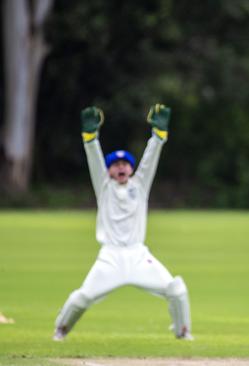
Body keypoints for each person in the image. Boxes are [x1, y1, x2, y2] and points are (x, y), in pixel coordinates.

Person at [53, 104, 193, 341]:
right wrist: (90, 138)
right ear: (109, 171)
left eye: (125, 164)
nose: (120, 168)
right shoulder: (104, 187)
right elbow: (95, 162)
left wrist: (158, 137)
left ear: (130, 168)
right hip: (110, 257)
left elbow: (149, 162)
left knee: (176, 289)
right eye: (115, 165)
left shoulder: (139, 185)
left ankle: (182, 333)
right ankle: (60, 330)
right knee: (83, 297)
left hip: (139, 255)